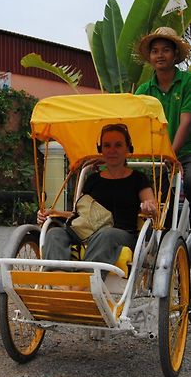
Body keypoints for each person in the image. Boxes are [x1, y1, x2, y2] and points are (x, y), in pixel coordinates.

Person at [37, 124, 156, 278]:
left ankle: (83, 285)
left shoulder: (138, 179)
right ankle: (62, 284)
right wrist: (52, 213)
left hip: (122, 234)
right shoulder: (93, 180)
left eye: (118, 145)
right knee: (54, 234)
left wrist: (148, 208)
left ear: (128, 148)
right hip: (87, 231)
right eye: (107, 145)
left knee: (105, 234)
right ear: (101, 150)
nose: (112, 150)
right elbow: (79, 214)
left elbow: (152, 205)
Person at [134, 27, 191, 204]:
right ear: (150, 57)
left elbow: (186, 121)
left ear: (175, 55)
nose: (160, 55)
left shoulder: (187, 82)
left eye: (165, 50)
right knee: (157, 198)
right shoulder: (144, 91)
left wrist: (171, 155)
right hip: (156, 158)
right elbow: (132, 125)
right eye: (155, 51)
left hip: (185, 153)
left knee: (190, 182)